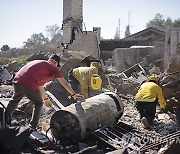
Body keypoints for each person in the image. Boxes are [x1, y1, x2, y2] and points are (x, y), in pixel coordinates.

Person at [6, 54, 79, 129]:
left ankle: (4, 121)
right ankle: (32, 127)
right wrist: (73, 94)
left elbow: (39, 85)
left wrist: (45, 99)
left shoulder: (40, 63)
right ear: (56, 63)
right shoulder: (53, 67)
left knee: (14, 101)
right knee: (38, 103)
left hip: (17, 80)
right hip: (29, 82)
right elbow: (64, 83)